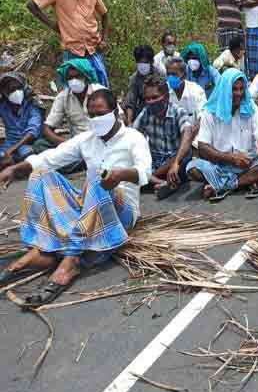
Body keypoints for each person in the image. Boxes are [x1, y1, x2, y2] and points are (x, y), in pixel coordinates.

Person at [0, 89, 150, 305]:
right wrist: (15, 169)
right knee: (42, 176)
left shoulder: (133, 138)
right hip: (89, 205)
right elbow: (50, 158)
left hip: (120, 212)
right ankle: (44, 247)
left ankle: (70, 260)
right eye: (91, 114)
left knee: (97, 181)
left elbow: (145, 171)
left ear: (115, 112)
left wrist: (119, 175)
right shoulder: (86, 139)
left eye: (101, 113)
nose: (96, 119)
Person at [187, 69, 258, 201]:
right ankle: (239, 183)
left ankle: (223, 185)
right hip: (220, 166)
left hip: (247, 164)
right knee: (192, 168)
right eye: (234, 89)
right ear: (224, 89)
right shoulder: (210, 113)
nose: (238, 93)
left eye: (241, 89)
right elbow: (203, 148)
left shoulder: (251, 109)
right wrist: (231, 159)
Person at [27, 0, 109, 86]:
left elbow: (104, 15)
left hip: (93, 50)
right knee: (73, 91)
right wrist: (53, 25)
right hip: (73, 51)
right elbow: (31, 5)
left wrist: (104, 40)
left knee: (101, 89)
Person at [33, 59, 104, 172]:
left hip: (99, 142)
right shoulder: (63, 97)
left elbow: (119, 118)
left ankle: (69, 164)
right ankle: (82, 163)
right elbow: (47, 128)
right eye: (70, 78)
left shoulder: (100, 92)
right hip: (75, 146)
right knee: (39, 145)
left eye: (77, 76)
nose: (74, 81)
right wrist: (62, 142)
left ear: (85, 77)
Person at [132, 75, 193, 199]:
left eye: (155, 97)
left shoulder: (178, 111)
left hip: (174, 159)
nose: (151, 102)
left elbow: (187, 135)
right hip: (154, 160)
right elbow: (132, 137)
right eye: (147, 98)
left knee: (185, 157)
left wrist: (175, 163)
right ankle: (161, 182)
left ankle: (150, 179)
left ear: (166, 96)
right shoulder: (145, 112)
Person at [0, 73, 44, 170]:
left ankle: (14, 168)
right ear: (5, 93)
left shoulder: (33, 104)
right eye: (11, 90)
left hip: (29, 144)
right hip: (9, 144)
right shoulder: (3, 105)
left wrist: (12, 149)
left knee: (27, 155)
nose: (16, 92)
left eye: (18, 88)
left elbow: (32, 132)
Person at [166, 56, 207, 131]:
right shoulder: (166, 93)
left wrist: (188, 139)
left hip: (195, 137)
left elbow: (202, 118)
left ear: (184, 75)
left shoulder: (196, 91)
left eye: (174, 74)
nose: (170, 77)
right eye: (168, 74)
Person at [123, 44, 159, 125]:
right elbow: (130, 102)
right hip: (143, 110)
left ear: (151, 61)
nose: (142, 65)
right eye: (140, 62)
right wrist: (129, 122)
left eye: (145, 62)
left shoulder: (160, 75)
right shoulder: (134, 79)